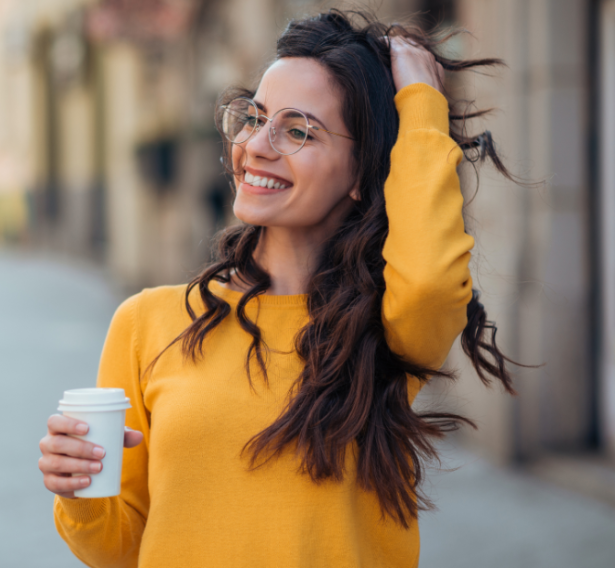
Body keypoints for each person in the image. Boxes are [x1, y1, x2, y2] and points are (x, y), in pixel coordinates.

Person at [40, 9, 520, 568]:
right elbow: (122, 550)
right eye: (256, 117)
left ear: (364, 174)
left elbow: (431, 284)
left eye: (299, 131)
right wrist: (78, 493)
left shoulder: (384, 327)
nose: (257, 146)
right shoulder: (147, 323)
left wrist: (420, 104)